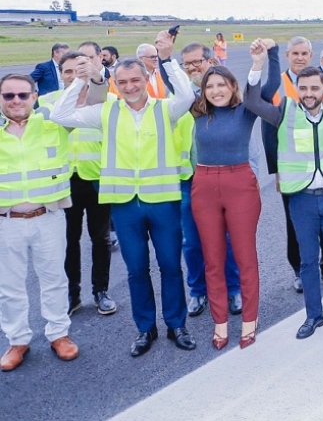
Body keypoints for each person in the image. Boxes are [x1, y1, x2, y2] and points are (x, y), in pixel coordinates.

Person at [50, 31, 198, 357]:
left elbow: (187, 96)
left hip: (162, 202)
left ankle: (176, 324)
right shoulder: (106, 113)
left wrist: (167, 60)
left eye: (135, 79)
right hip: (124, 204)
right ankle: (146, 329)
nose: (130, 86)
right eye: (123, 81)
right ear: (115, 82)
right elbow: (60, 116)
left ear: (146, 78)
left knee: (171, 266)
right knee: (136, 270)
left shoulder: (165, 109)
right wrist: (80, 80)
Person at [246, 55, 323, 339]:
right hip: (302, 199)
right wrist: (257, 66)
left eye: (314, 88)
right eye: (304, 88)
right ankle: (313, 315)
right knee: (308, 260)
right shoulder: (285, 110)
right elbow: (251, 102)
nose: (309, 94)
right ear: (297, 89)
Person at [189, 43, 274, 350]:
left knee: (245, 256)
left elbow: (257, 88)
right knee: (212, 259)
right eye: (209, 86)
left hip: (240, 184)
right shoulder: (198, 112)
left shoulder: (245, 110)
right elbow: (176, 83)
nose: (215, 91)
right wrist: (166, 57)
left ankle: (249, 322)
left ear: (232, 87)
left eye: (221, 85)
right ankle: (220, 323)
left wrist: (257, 63)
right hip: (205, 184)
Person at [0, 73, 79, 372]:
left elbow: (94, 100)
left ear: (34, 96)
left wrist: (91, 77)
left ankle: (59, 334)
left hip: (48, 217)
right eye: (9, 96)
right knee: (9, 286)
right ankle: (17, 340)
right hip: (7, 222)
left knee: (54, 279)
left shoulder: (54, 124)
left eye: (22, 95)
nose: (16, 101)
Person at [36, 53, 117, 317]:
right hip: (64, 182)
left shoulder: (105, 101)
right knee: (68, 240)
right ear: (60, 74)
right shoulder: (49, 102)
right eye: (67, 71)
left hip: (97, 180)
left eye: (78, 70)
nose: (73, 76)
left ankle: (100, 291)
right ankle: (72, 294)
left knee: (100, 238)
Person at [168, 42, 242, 322]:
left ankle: (233, 289)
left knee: (229, 238)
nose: (192, 68)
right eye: (186, 64)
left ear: (210, 61)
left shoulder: (226, 93)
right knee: (193, 241)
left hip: (226, 176)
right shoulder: (182, 98)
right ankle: (198, 290)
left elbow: (245, 137)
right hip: (192, 179)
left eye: (196, 62)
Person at [261, 36, 323, 291]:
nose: (300, 58)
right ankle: (299, 268)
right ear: (288, 55)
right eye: (295, 53)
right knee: (296, 221)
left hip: (322, 167)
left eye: (304, 53)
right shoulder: (276, 85)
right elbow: (269, 132)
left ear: (310, 56)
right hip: (292, 169)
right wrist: (276, 170)